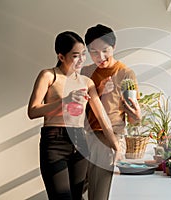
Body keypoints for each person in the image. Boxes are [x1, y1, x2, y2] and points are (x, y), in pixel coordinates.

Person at [27, 31, 120, 200]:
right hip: (54, 142)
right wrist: (65, 101)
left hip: (80, 142)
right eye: (75, 55)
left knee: (77, 197)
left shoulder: (87, 82)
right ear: (61, 57)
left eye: (83, 54)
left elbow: (102, 117)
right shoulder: (49, 76)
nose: (81, 59)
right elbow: (33, 111)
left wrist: (116, 145)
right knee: (61, 197)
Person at [81, 24, 142, 200]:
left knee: (98, 192)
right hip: (84, 136)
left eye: (105, 50)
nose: (100, 57)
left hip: (109, 137)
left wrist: (136, 115)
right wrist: (98, 91)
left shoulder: (125, 73)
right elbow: (76, 109)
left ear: (114, 47)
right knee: (75, 188)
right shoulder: (86, 72)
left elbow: (133, 118)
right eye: (93, 52)